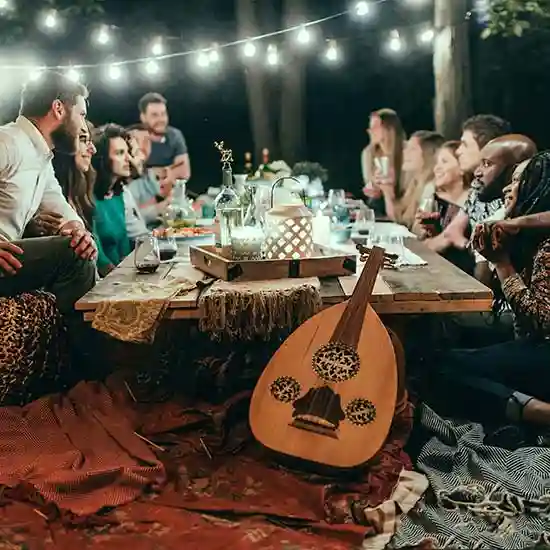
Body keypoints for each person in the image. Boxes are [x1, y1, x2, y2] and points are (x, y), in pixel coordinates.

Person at [419, 151, 550, 434]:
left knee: (436, 370)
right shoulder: (529, 235)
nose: (507, 187)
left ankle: (537, 413)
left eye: (518, 180)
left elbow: (540, 321)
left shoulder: (547, 246)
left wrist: (501, 263)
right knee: (437, 361)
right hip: (536, 346)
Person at [0, 70, 96, 315]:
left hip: (8, 261)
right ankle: (89, 351)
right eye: (82, 115)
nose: (83, 126)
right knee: (72, 256)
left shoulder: (41, 157)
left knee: (79, 246)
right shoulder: (8, 142)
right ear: (58, 108)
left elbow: (57, 204)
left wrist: (78, 231)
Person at [425, 133, 536, 255]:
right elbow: (451, 235)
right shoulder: (478, 193)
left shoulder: (523, 211)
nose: (477, 172)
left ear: (515, 171)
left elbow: (487, 267)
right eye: (480, 164)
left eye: (487, 164)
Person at [380, 130, 444, 231]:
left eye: (413, 149)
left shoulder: (431, 188)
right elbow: (399, 218)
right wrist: (387, 190)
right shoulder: (415, 182)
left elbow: (415, 230)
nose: (405, 152)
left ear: (428, 155)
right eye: (407, 148)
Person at [91, 124, 131, 277]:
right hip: (104, 282)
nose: (128, 159)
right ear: (103, 158)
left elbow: (124, 246)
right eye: (120, 153)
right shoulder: (90, 199)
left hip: (123, 275)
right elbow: (100, 260)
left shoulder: (117, 194)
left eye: (127, 152)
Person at [138, 92, 190, 192]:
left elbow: (184, 172)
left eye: (163, 114)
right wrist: (168, 171)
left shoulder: (175, 135)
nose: (161, 119)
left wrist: (153, 173)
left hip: (171, 195)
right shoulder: (133, 137)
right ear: (143, 117)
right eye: (154, 115)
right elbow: (129, 176)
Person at [361, 108, 406, 215]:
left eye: (375, 127)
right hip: (379, 205)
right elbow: (369, 183)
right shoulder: (368, 153)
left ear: (389, 129)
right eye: (370, 127)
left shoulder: (406, 150)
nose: (370, 131)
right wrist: (372, 188)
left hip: (403, 203)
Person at [125, 124, 171, 227]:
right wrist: (159, 207)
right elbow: (129, 219)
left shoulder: (150, 175)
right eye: (137, 140)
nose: (143, 147)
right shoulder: (123, 181)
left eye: (147, 141)